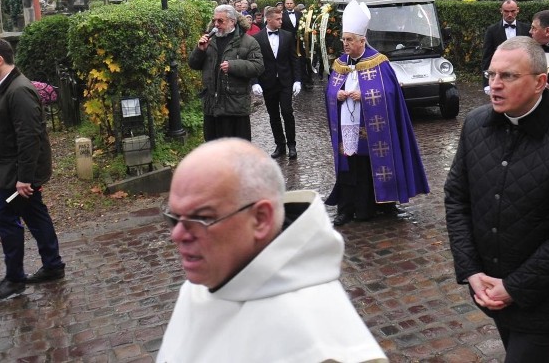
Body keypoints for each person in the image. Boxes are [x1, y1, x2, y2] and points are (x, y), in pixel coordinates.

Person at [156, 138, 388, 363]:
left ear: (260, 219)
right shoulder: (201, 285)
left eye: (201, 218)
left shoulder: (325, 347)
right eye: (174, 218)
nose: (176, 235)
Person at [444, 36, 549, 363]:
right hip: (488, 285)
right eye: (491, 75)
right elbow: (457, 198)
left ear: (541, 82)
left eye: (508, 76)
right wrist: (471, 271)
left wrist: (515, 286)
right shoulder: (475, 125)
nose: (495, 85)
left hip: (542, 294)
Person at [325, 0, 429, 225]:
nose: (345, 44)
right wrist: (337, 95)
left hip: (371, 128)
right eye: (344, 39)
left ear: (362, 40)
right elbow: (331, 91)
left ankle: (371, 206)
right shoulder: (339, 64)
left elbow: (390, 93)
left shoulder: (379, 62)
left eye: (350, 40)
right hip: (346, 126)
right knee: (347, 166)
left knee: (366, 166)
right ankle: (345, 208)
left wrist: (365, 97)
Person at [0, 38, 65, 300]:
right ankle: (53, 265)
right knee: (35, 214)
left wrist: (24, 178)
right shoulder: (5, 87)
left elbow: (30, 136)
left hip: (18, 174)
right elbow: (9, 127)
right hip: (13, 170)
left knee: (4, 217)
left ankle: (14, 279)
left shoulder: (18, 90)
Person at [188, 5, 264, 141]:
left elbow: (258, 67)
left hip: (235, 106)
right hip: (212, 105)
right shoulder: (209, 40)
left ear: (232, 21)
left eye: (220, 21)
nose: (216, 24)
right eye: (214, 20)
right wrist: (199, 50)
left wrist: (234, 66)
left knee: (237, 150)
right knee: (214, 149)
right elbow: (193, 64)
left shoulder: (248, 41)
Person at [252, 6, 301, 159]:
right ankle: (280, 145)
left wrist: (298, 80)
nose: (281, 21)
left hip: (285, 81)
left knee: (287, 112)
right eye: (278, 19)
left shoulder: (287, 36)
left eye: (281, 18)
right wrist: (255, 82)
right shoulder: (257, 38)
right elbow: (254, 61)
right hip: (268, 82)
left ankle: (292, 145)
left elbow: (294, 59)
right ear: (269, 19)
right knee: (273, 115)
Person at [481, 0, 531, 89]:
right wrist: (486, 83)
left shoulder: (527, 29)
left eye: (512, 11)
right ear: (501, 11)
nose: (510, 15)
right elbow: (487, 56)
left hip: (522, 73)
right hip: (500, 75)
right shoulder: (492, 30)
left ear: (518, 10)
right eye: (506, 11)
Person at [282, 0, 314, 90]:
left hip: (300, 42)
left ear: (294, 4)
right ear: (285, 5)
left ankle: (305, 81)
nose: (289, 5)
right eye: (287, 3)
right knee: (291, 61)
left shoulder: (299, 14)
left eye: (291, 3)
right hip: (288, 43)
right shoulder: (282, 16)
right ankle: (293, 81)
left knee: (302, 61)